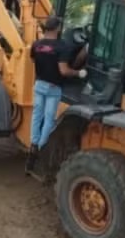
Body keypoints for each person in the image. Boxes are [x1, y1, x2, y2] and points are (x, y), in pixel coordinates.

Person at [26, 16, 87, 175]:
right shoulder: (62, 47)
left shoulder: (37, 44)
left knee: (36, 115)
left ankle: (33, 144)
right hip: (53, 88)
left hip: (39, 85)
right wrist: (79, 73)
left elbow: (32, 59)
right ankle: (41, 147)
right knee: (49, 118)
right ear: (58, 28)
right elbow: (64, 71)